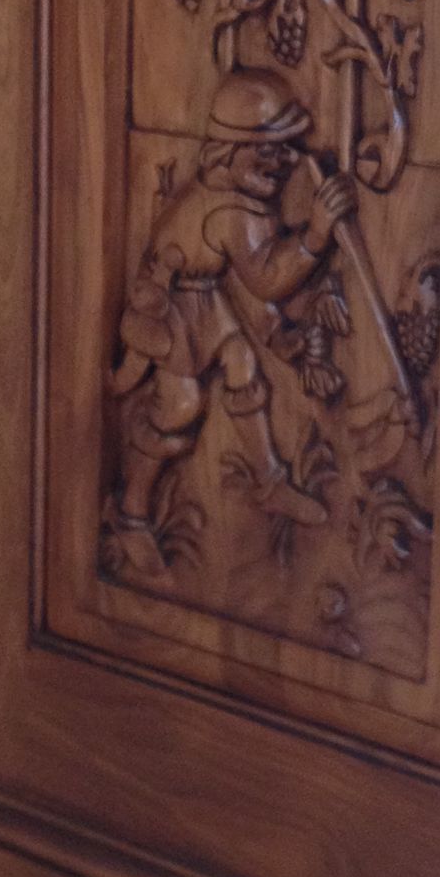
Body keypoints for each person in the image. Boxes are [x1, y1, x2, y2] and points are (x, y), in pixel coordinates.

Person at [107, 69, 356, 542]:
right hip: (169, 309)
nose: (281, 160)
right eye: (266, 148)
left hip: (201, 297)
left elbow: (239, 279)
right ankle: (132, 510)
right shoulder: (229, 212)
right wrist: (317, 233)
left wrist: (276, 331)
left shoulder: (237, 199)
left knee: (241, 363)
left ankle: (270, 482)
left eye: (286, 147)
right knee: (179, 406)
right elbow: (264, 279)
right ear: (229, 149)